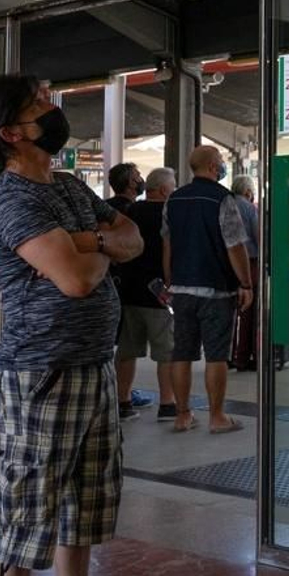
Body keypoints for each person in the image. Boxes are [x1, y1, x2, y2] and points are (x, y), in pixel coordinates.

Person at [0, 74, 143, 576]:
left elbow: (134, 238)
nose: (51, 105)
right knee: (24, 512)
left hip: (94, 366)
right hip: (40, 376)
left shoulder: (67, 186)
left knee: (83, 505)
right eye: (38, 103)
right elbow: (77, 280)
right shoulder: (11, 202)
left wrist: (86, 242)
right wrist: (100, 248)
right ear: (11, 133)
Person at [163, 146, 253, 434]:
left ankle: (182, 416)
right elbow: (235, 246)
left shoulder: (174, 199)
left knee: (182, 353)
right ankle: (217, 417)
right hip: (216, 290)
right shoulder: (223, 199)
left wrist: (170, 281)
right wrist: (245, 283)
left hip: (181, 289)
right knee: (216, 355)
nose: (223, 165)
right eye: (221, 161)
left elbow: (168, 244)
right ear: (214, 167)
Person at [113, 167, 179, 422]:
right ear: (164, 190)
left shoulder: (130, 211)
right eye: (173, 186)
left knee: (127, 350)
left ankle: (123, 402)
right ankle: (167, 405)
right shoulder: (170, 213)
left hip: (129, 291)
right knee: (166, 352)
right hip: (159, 294)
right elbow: (171, 250)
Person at [104, 163, 155, 417]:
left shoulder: (104, 208)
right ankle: (122, 395)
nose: (141, 180)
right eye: (137, 177)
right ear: (130, 184)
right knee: (128, 345)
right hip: (131, 286)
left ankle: (118, 393)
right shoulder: (133, 212)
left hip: (108, 282)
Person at [229, 175, 261, 372]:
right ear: (248, 192)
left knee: (229, 312)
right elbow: (258, 237)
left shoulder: (225, 205)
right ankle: (244, 357)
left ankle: (228, 355)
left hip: (227, 264)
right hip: (249, 263)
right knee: (249, 312)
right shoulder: (250, 208)